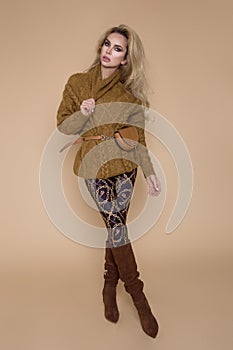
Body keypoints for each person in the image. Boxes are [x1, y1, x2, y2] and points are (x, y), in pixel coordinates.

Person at [56, 24, 161, 338]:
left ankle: (108, 282)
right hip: (94, 166)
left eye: (117, 49)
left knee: (115, 227)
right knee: (117, 225)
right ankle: (138, 295)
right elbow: (63, 125)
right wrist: (83, 114)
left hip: (125, 164)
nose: (108, 51)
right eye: (107, 44)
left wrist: (150, 172)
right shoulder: (77, 83)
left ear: (125, 60)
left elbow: (138, 139)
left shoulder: (128, 97)